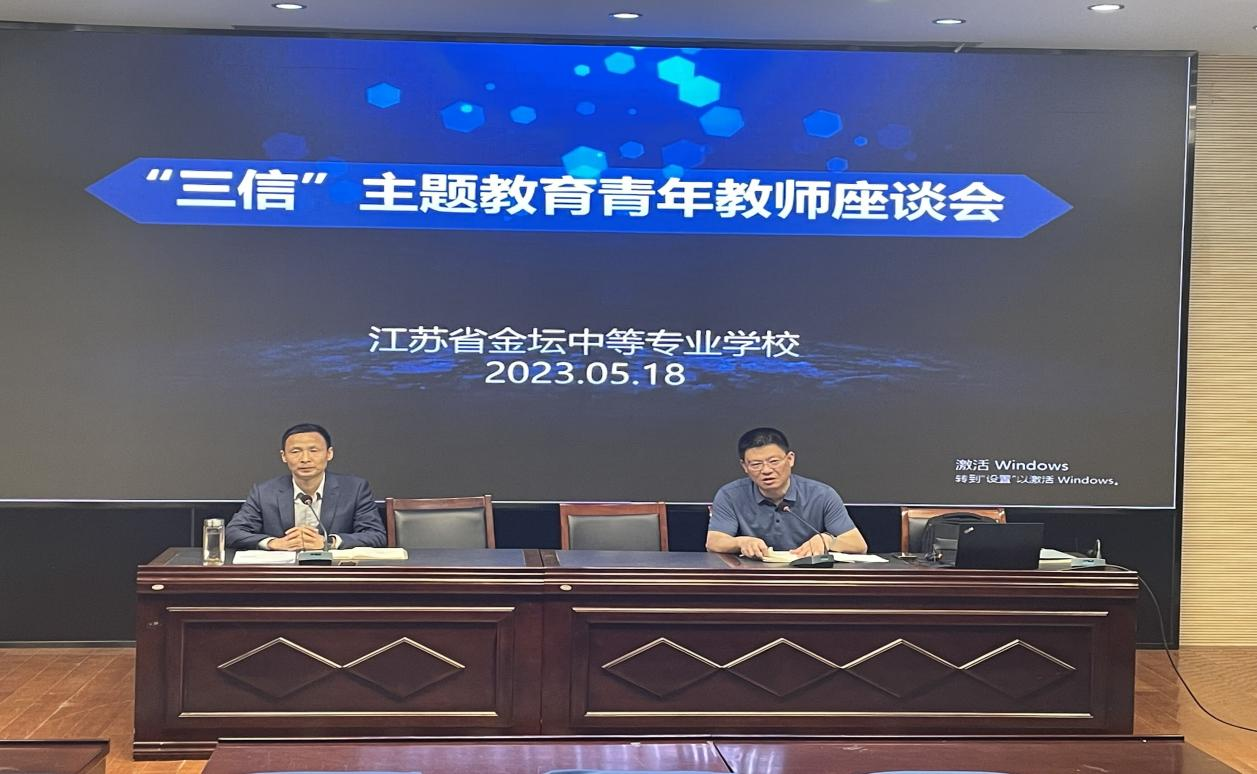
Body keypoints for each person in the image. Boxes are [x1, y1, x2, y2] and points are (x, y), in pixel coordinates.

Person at [706, 427, 867, 558]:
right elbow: (714, 542)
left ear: (790, 459)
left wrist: (827, 540)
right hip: (753, 577)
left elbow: (858, 545)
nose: (766, 470)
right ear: (744, 467)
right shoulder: (730, 495)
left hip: (809, 576)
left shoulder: (822, 495)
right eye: (756, 464)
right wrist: (741, 542)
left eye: (774, 461)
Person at [225, 423, 387, 550]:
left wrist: (328, 542)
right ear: (284, 456)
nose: (305, 459)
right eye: (295, 451)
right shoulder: (264, 492)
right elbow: (233, 533)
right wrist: (274, 543)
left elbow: (376, 535)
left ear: (329, 453)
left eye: (313, 450)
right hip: (282, 574)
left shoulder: (354, 489)